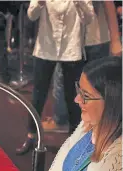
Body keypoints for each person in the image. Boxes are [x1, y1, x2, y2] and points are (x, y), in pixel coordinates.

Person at [42, 56, 122, 171]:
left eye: (85, 96)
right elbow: (63, 161)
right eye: (79, 90)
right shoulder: (90, 123)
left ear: (112, 103)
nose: (77, 100)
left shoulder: (119, 155)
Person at [16, 0, 95, 155]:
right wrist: (39, 3)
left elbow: (89, 18)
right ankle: (31, 136)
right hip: (45, 48)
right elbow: (31, 15)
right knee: (38, 96)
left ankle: (75, 140)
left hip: (71, 49)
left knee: (73, 98)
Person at [43, 0, 122, 133]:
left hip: (94, 38)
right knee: (64, 81)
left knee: (95, 87)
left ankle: (95, 127)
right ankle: (63, 120)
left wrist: (115, 40)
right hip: (70, 39)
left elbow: (108, 3)